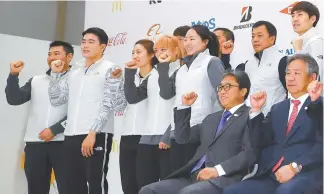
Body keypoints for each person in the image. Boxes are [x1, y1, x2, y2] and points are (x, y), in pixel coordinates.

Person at [139, 70, 257, 194]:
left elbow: (249, 153)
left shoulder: (250, 117)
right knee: (148, 190)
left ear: (243, 91)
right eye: (220, 87)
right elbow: (182, 138)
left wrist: (217, 170)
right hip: (193, 177)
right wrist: (185, 107)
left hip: (222, 179)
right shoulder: (211, 119)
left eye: (228, 87)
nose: (222, 91)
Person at [223, 53, 323, 194]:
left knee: (286, 191)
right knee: (232, 191)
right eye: (288, 73)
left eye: (296, 73)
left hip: (306, 174)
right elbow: (261, 140)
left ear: (313, 77)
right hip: (272, 174)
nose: (290, 78)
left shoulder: (319, 105)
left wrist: (295, 167)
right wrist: (256, 111)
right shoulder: (278, 108)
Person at [49, 27, 127, 194]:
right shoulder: (74, 71)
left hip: (96, 135)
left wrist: (92, 133)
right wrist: (55, 75)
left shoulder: (111, 68)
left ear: (102, 46)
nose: (85, 45)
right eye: (83, 42)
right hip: (70, 135)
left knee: (95, 184)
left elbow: (109, 104)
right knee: (71, 185)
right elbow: (57, 100)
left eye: (91, 42)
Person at [5, 41, 74, 194]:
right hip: (35, 144)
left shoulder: (77, 79)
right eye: (49, 54)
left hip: (64, 143)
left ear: (69, 57)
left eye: (57, 54)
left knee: (69, 188)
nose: (51, 58)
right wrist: (13, 76)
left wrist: (55, 130)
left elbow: (78, 112)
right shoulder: (36, 80)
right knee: (36, 189)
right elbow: (14, 99)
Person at [157, 25, 225, 173]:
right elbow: (166, 93)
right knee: (176, 179)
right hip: (179, 131)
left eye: (192, 39)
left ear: (205, 42)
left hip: (200, 130)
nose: (187, 43)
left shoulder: (211, 62)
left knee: (193, 180)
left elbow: (224, 94)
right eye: (185, 39)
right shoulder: (181, 69)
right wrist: (163, 67)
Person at [124, 38, 178, 189]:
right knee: (144, 187)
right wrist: (129, 73)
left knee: (167, 188)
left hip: (167, 138)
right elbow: (133, 98)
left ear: (176, 50)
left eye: (165, 49)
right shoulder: (153, 74)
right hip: (146, 138)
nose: (160, 53)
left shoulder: (179, 71)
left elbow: (166, 94)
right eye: (158, 50)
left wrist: (163, 67)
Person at [119, 39, 154, 194]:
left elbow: (134, 97)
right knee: (127, 184)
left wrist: (129, 74)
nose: (134, 56)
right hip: (127, 135)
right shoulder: (130, 76)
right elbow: (121, 103)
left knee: (145, 184)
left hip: (146, 136)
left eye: (139, 52)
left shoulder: (157, 76)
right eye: (133, 52)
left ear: (152, 54)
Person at [236, 21, 288, 115]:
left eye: (260, 35)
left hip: (274, 119)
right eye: (253, 36)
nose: (255, 40)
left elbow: (291, 93)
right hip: (250, 119)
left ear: (272, 39)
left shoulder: (283, 60)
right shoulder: (248, 64)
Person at [291, 1, 323, 79]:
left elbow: (315, 76)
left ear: (312, 19)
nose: (294, 19)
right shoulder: (301, 41)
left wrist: (298, 51)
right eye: (292, 16)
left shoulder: (316, 42)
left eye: (300, 15)